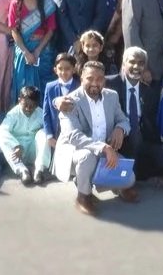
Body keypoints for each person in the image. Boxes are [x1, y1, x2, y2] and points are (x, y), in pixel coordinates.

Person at [54, 61, 137, 216]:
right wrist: (103, 147)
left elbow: (123, 119)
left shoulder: (111, 96)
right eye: (90, 78)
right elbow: (73, 136)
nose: (95, 83)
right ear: (82, 79)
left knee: (130, 179)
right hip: (75, 153)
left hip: (104, 153)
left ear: (104, 81)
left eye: (99, 79)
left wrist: (120, 129)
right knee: (88, 157)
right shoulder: (70, 101)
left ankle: (111, 185)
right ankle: (83, 196)